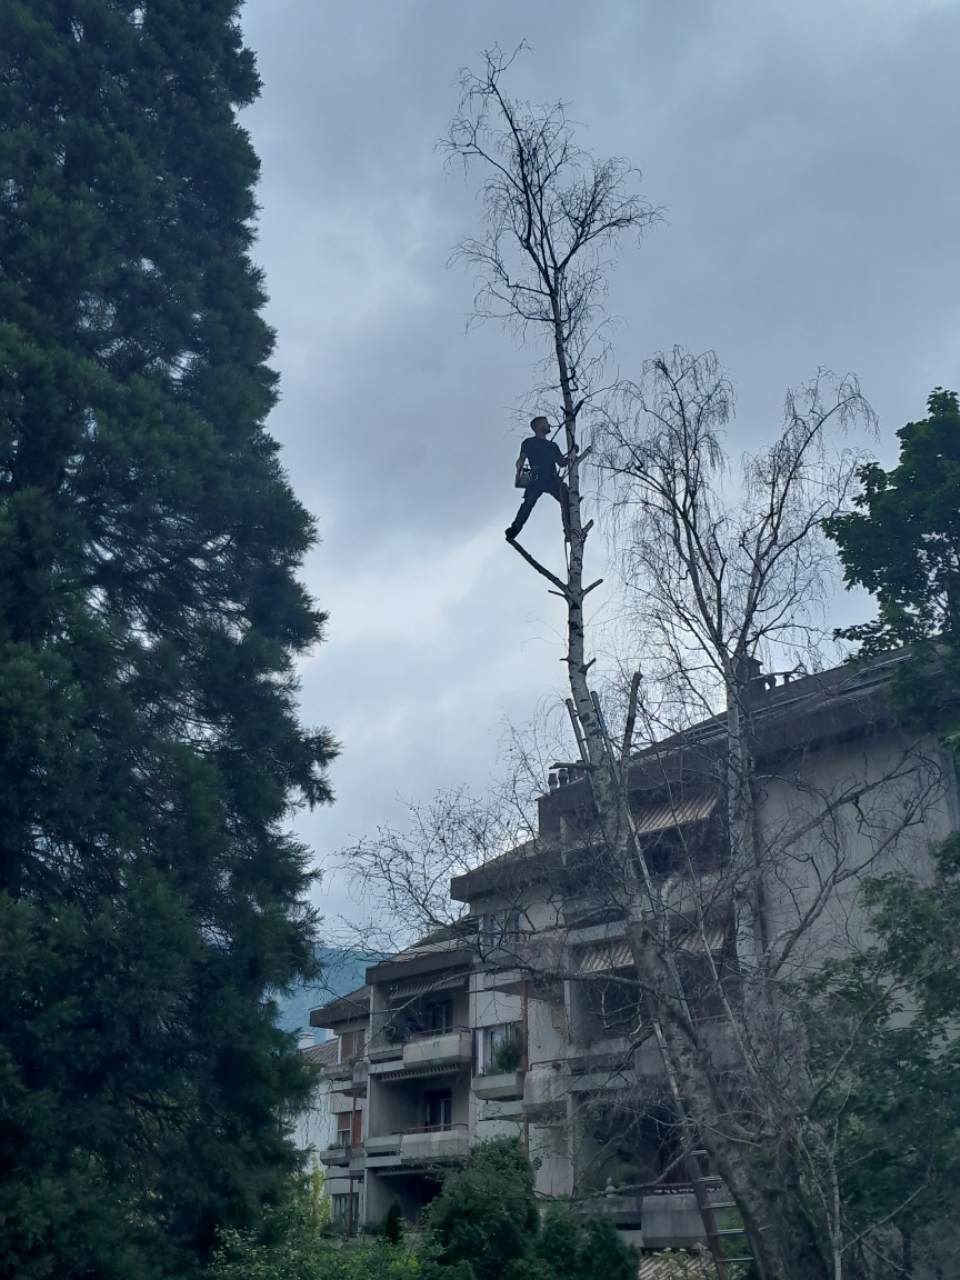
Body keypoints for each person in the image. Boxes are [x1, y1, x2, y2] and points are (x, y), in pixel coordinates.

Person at [505, 416, 572, 541]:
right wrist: (519, 472)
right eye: (546, 423)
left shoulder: (552, 446)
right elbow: (521, 460)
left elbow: (561, 462)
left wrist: (571, 455)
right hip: (536, 478)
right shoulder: (529, 443)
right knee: (528, 504)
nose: (549, 425)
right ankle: (514, 529)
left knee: (568, 500)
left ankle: (569, 531)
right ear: (538, 426)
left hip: (552, 479)